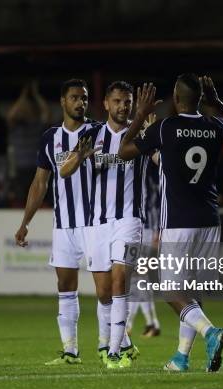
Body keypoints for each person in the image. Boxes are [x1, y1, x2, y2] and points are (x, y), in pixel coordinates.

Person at [118, 75, 223, 372]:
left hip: (178, 222)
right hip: (209, 220)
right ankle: (181, 358)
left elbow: (124, 151)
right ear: (200, 99)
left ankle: (211, 332)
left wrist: (140, 115)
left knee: (171, 292)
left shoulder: (165, 128)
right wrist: (219, 107)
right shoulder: (215, 126)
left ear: (176, 99)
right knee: (192, 293)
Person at [61, 81, 147, 368]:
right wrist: (79, 157)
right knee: (103, 292)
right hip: (96, 223)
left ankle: (113, 352)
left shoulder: (142, 134)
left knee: (121, 281)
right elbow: (64, 171)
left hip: (130, 219)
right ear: (107, 105)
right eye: (118, 101)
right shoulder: (92, 134)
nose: (124, 106)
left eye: (128, 102)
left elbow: (160, 160)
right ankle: (125, 344)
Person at [14, 79, 99, 365]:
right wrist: (25, 222)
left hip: (95, 222)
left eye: (84, 98)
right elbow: (40, 183)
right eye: (75, 97)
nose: (81, 103)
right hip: (64, 225)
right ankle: (70, 350)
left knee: (107, 287)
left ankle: (114, 346)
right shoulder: (50, 137)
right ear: (63, 102)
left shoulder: (98, 132)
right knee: (65, 285)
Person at [127, 154, 161, 338]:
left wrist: (156, 231)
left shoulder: (144, 179)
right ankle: (151, 323)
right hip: (142, 230)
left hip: (143, 231)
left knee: (136, 276)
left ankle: (133, 323)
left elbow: (154, 206)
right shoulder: (150, 177)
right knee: (139, 278)